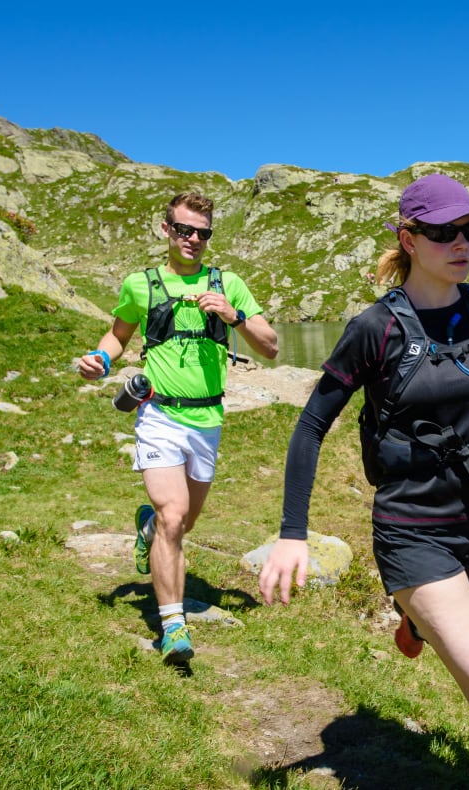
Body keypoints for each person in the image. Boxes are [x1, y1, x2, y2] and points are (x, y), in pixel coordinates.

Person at [259, 174, 469, 789]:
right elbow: (311, 426)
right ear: (409, 239)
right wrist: (293, 533)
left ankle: (419, 622)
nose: (461, 243)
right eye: (443, 232)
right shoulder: (378, 328)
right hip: (413, 531)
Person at [79, 191, 278, 665]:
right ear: (166, 229)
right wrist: (102, 359)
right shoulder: (140, 285)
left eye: (202, 233)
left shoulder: (228, 283)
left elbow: (270, 346)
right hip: (159, 414)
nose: (193, 239)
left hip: (207, 420)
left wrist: (236, 316)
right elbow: (119, 334)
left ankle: (147, 529)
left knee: (182, 521)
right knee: (173, 517)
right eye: (184, 230)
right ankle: (173, 628)